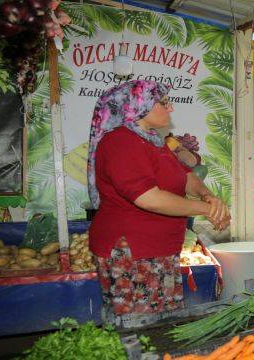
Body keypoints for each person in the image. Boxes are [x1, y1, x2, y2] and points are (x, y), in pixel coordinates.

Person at [86, 80, 229, 320]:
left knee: (162, 324)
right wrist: (204, 209)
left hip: (159, 251)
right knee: (139, 327)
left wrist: (210, 197)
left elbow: (186, 177)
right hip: (132, 252)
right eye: (163, 103)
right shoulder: (120, 142)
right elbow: (147, 197)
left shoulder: (153, 140)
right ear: (138, 106)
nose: (170, 108)